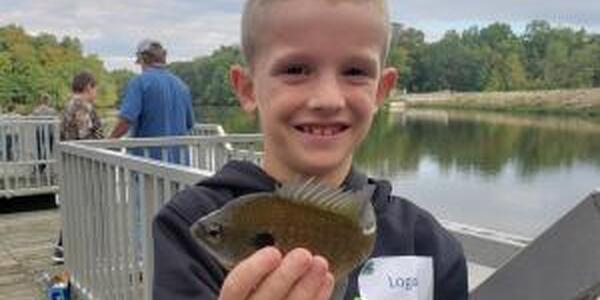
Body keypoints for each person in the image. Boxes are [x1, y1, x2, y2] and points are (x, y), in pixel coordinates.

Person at [152, 0, 468, 299]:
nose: (327, 99)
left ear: (381, 91)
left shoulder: (428, 243)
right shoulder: (185, 225)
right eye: (296, 69)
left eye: (355, 72)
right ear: (248, 89)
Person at [109, 38, 194, 163]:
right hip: (179, 166)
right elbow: (190, 123)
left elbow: (126, 120)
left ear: (143, 59)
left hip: (148, 165)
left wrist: (109, 142)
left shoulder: (139, 82)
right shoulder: (182, 86)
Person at [53, 71, 104, 263]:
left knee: (75, 205)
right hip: (83, 165)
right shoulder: (81, 106)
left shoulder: (68, 104)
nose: (96, 92)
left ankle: (63, 247)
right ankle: (67, 248)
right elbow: (84, 137)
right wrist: (105, 143)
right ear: (88, 86)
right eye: (95, 88)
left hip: (71, 163)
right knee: (86, 206)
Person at [32, 93, 58, 174]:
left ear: (41, 101)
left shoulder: (36, 110)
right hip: (49, 132)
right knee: (48, 149)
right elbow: (55, 119)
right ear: (48, 101)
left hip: (39, 131)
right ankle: (42, 165)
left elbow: (33, 117)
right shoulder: (52, 111)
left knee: (39, 149)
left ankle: (38, 165)